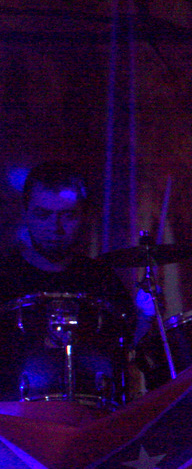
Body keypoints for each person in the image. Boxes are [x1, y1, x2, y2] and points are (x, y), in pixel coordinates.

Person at [0, 162, 140, 405]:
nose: (55, 228)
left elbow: (129, 348)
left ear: (84, 215)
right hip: (13, 420)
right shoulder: (5, 277)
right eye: (42, 215)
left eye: (67, 216)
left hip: (93, 417)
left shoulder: (101, 278)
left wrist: (147, 316)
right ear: (25, 213)